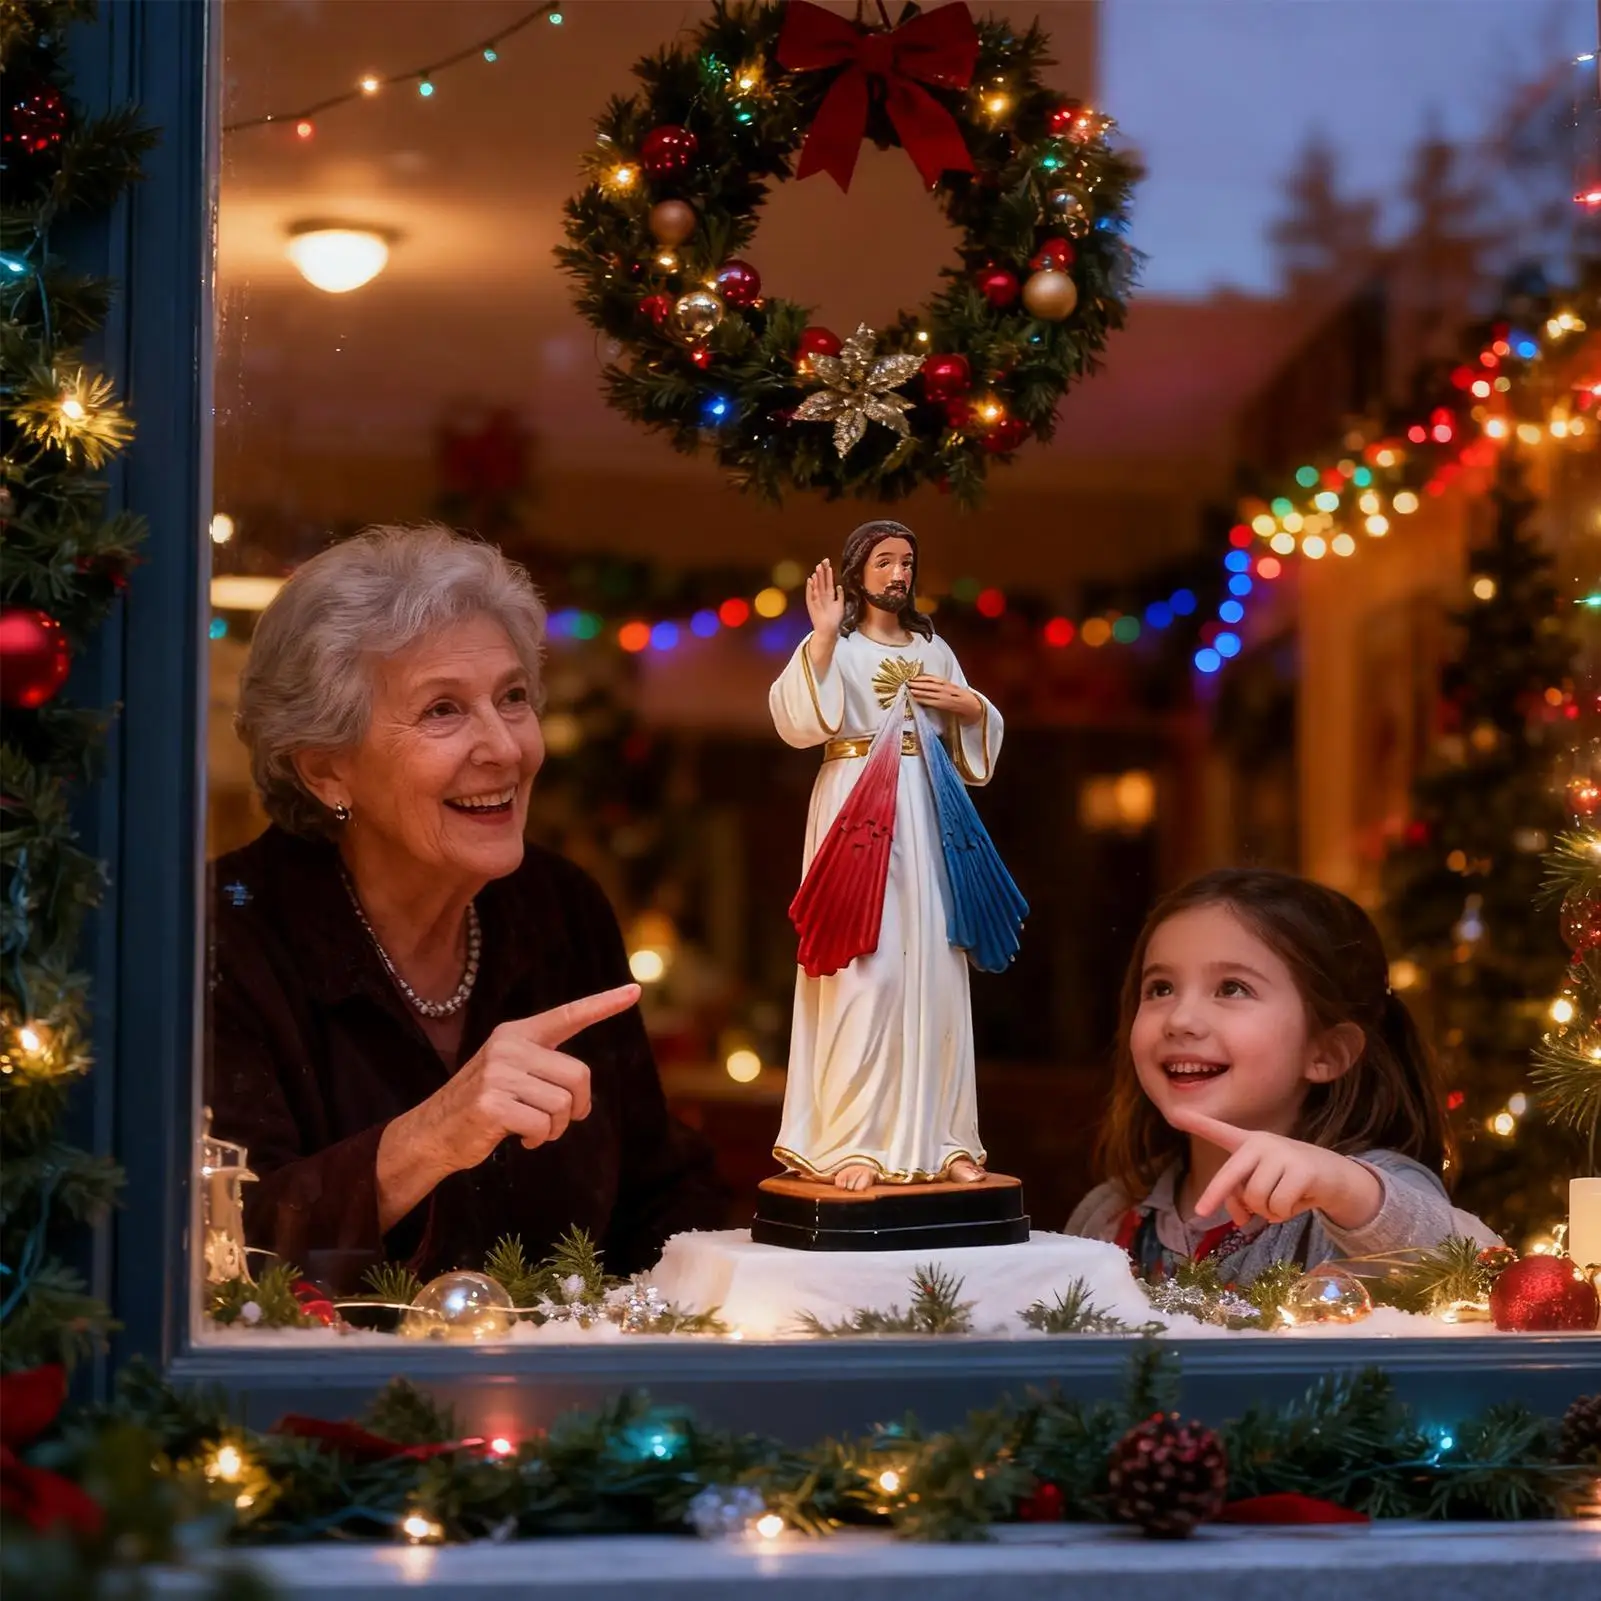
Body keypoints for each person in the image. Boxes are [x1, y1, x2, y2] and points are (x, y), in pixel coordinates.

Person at [210, 524, 724, 1296]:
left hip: (569, 1402)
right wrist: (430, 1136)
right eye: (443, 710)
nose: (505, 747)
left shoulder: (558, 909)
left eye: (512, 697)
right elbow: (225, 1251)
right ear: (325, 769)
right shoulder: (225, 932)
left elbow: (658, 1194)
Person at [1067, 868, 1497, 1280]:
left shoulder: (1359, 1195)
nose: (1181, 1019)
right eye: (1161, 988)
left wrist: (1346, 1189)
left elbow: (1477, 1268)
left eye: (1232, 988)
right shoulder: (1107, 1214)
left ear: (1327, 1052)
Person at [768, 519, 1026, 1192]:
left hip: (928, 809)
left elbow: (972, 733)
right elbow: (798, 718)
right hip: (857, 807)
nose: (898, 573)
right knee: (866, 970)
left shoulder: (933, 650)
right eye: (884, 561)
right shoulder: (835, 646)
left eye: (906, 561)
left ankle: (945, 1140)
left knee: (938, 974)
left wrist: (971, 707)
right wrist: (821, 637)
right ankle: (852, 1138)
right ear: (857, 573)